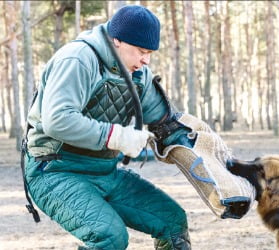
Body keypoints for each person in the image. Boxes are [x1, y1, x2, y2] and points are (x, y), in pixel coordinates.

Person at [23, 5, 192, 250]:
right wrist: (116, 137)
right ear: (117, 41)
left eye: (150, 53)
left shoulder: (139, 74)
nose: (145, 60)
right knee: (110, 237)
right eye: (141, 51)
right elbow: (57, 119)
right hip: (54, 171)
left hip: (105, 172)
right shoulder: (78, 59)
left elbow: (166, 125)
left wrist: (212, 165)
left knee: (172, 221)